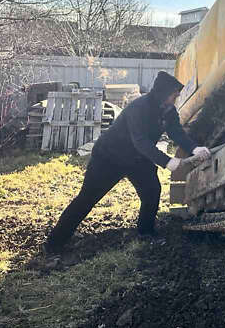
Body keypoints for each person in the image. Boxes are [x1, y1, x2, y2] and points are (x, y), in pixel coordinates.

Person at [44, 71, 209, 253]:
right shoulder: (139, 108)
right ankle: (55, 243)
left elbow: (176, 132)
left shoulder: (168, 110)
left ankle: (146, 232)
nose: (176, 99)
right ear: (163, 93)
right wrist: (167, 161)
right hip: (109, 157)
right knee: (87, 198)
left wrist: (195, 149)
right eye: (174, 95)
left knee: (152, 191)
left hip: (137, 159)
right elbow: (141, 141)